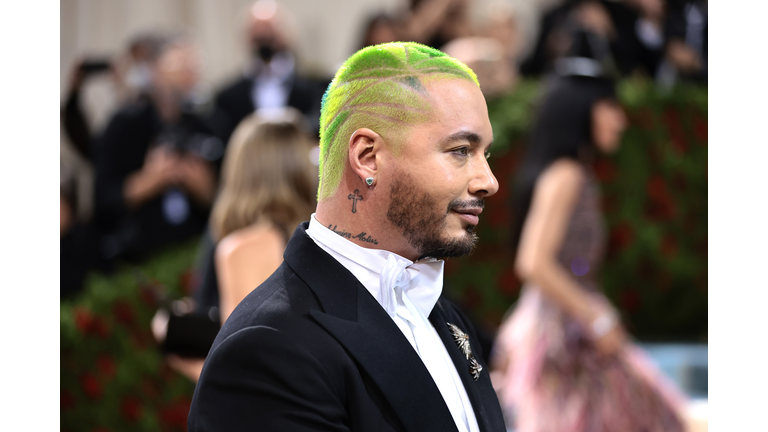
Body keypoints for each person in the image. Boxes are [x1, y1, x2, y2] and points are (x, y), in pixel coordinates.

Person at [188, 42, 507, 432]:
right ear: (367, 156)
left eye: (484, 154)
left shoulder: (439, 312)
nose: (488, 182)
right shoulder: (267, 350)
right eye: (460, 150)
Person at [489, 64, 687, 430]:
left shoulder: (574, 173)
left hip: (566, 330)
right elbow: (533, 262)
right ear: (582, 111)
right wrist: (596, 318)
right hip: (563, 339)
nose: (620, 120)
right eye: (611, 107)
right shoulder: (567, 175)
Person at [152, 108, 317, 383]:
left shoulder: (240, 250)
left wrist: (173, 344)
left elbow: (240, 378)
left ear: (241, 170)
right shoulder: (328, 237)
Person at [93, 36, 223, 264]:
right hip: (138, 258)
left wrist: (206, 191)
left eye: (193, 64)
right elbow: (101, 199)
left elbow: (230, 194)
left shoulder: (211, 123)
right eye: (179, 63)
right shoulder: (124, 124)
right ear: (154, 70)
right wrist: (147, 182)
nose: (188, 71)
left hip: (198, 252)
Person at [208, 0, 328, 144]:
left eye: (270, 34)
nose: (265, 41)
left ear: (287, 34)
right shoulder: (227, 97)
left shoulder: (314, 88)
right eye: (258, 35)